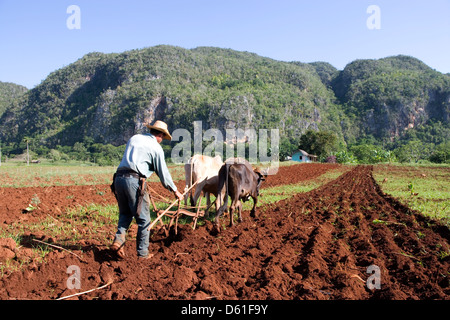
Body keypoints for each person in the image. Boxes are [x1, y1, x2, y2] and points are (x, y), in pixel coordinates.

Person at [110, 120, 183, 259]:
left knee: (125, 214)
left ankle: (119, 240)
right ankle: (143, 253)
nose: (161, 140)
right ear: (160, 135)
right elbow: (163, 173)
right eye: (163, 138)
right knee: (144, 219)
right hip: (134, 181)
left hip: (118, 179)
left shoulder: (135, 138)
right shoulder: (156, 147)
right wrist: (175, 191)